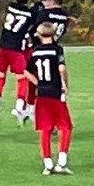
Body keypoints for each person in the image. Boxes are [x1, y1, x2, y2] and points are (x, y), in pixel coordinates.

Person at [26, 22, 73, 175]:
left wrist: (37, 82)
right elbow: (61, 68)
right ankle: (62, 162)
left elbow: (26, 71)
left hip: (42, 93)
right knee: (65, 127)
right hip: (55, 92)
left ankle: (47, 163)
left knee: (45, 129)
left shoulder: (35, 51)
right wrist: (64, 83)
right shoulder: (57, 49)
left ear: (39, 35)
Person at [0, 0, 37, 118]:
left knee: (0, 74)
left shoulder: (11, 8)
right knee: (21, 77)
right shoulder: (30, 14)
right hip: (16, 48)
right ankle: (19, 106)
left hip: (3, 46)